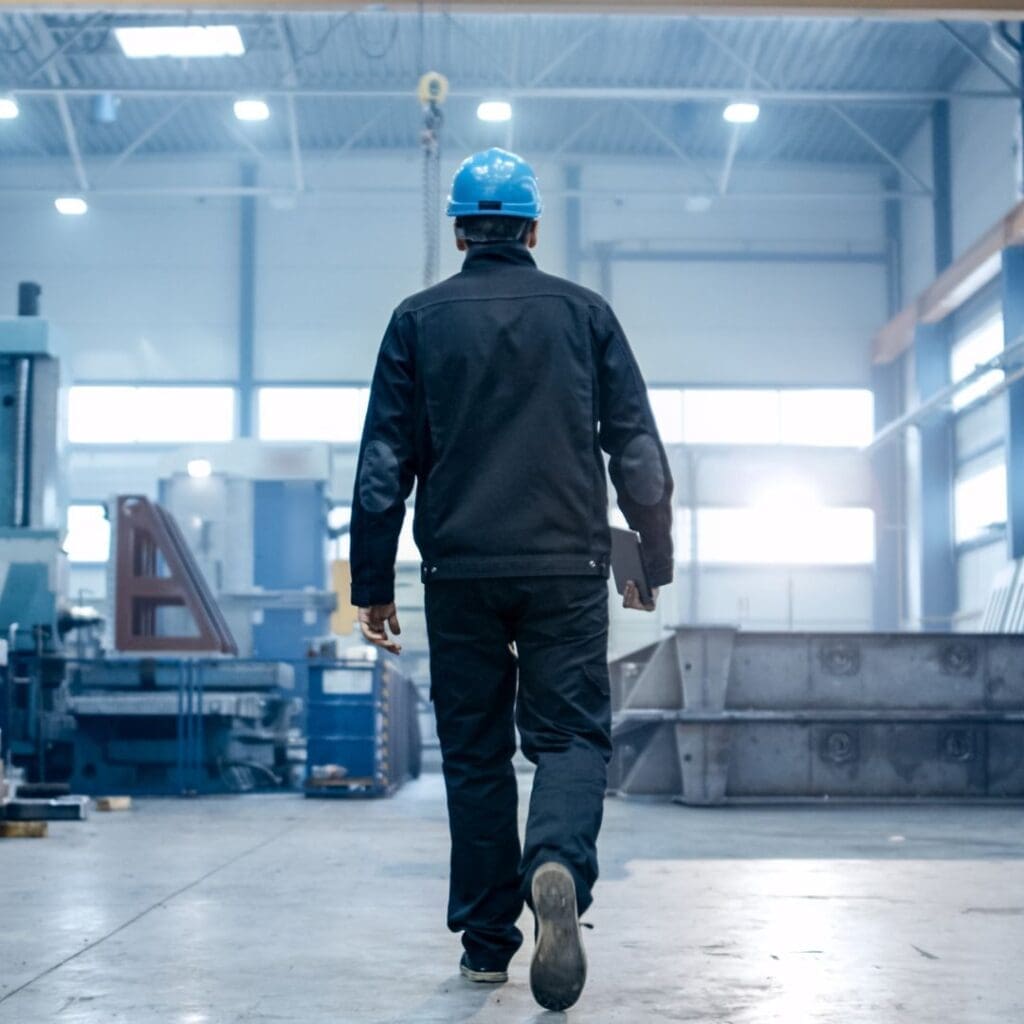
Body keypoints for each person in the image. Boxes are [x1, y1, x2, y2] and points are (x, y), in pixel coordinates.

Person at [350, 147, 673, 1012]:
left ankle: (488, 947)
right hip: (568, 565)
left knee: (475, 753)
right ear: (533, 229)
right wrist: (653, 554)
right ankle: (558, 860)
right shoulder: (584, 313)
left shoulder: (416, 319)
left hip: (457, 569)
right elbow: (635, 448)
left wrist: (372, 582)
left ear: (458, 230)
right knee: (569, 737)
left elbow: (386, 459)